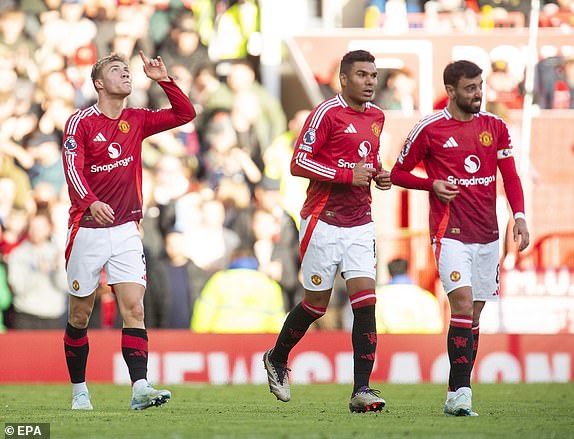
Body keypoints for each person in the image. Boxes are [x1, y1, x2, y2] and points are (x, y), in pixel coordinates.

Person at [390, 60, 530, 416]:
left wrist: (520, 217)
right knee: (463, 306)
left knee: (475, 316)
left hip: (487, 235)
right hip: (449, 234)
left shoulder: (495, 127)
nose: (478, 93)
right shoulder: (430, 128)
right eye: (470, 88)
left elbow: (510, 176)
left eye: (480, 86)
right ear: (450, 91)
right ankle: (464, 392)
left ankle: (455, 391)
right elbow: (398, 172)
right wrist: (431, 184)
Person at [61, 51, 196, 410]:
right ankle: (79, 392)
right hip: (87, 228)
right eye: (116, 70)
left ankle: (140, 388)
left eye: (127, 70)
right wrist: (90, 201)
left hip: (125, 228)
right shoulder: (80, 122)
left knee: (134, 308)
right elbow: (71, 168)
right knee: (79, 314)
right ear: (99, 83)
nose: (125, 74)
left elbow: (186, 114)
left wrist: (164, 80)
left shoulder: (136, 119)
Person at [262, 50, 392, 413]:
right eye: (363, 75)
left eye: (374, 75)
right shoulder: (325, 114)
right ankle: (277, 357)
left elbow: (368, 159)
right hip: (323, 220)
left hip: (360, 222)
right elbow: (298, 162)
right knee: (315, 306)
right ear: (344, 79)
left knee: (366, 303)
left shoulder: (378, 117)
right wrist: (348, 175)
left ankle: (362, 389)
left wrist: (379, 175)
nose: (370, 82)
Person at [375, 258, 443, 334]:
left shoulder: (378, 298)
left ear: (389, 272)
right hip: (419, 344)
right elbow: (435, 329)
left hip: (388, 343)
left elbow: (375, 329)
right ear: (407, 270)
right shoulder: (426, 297)